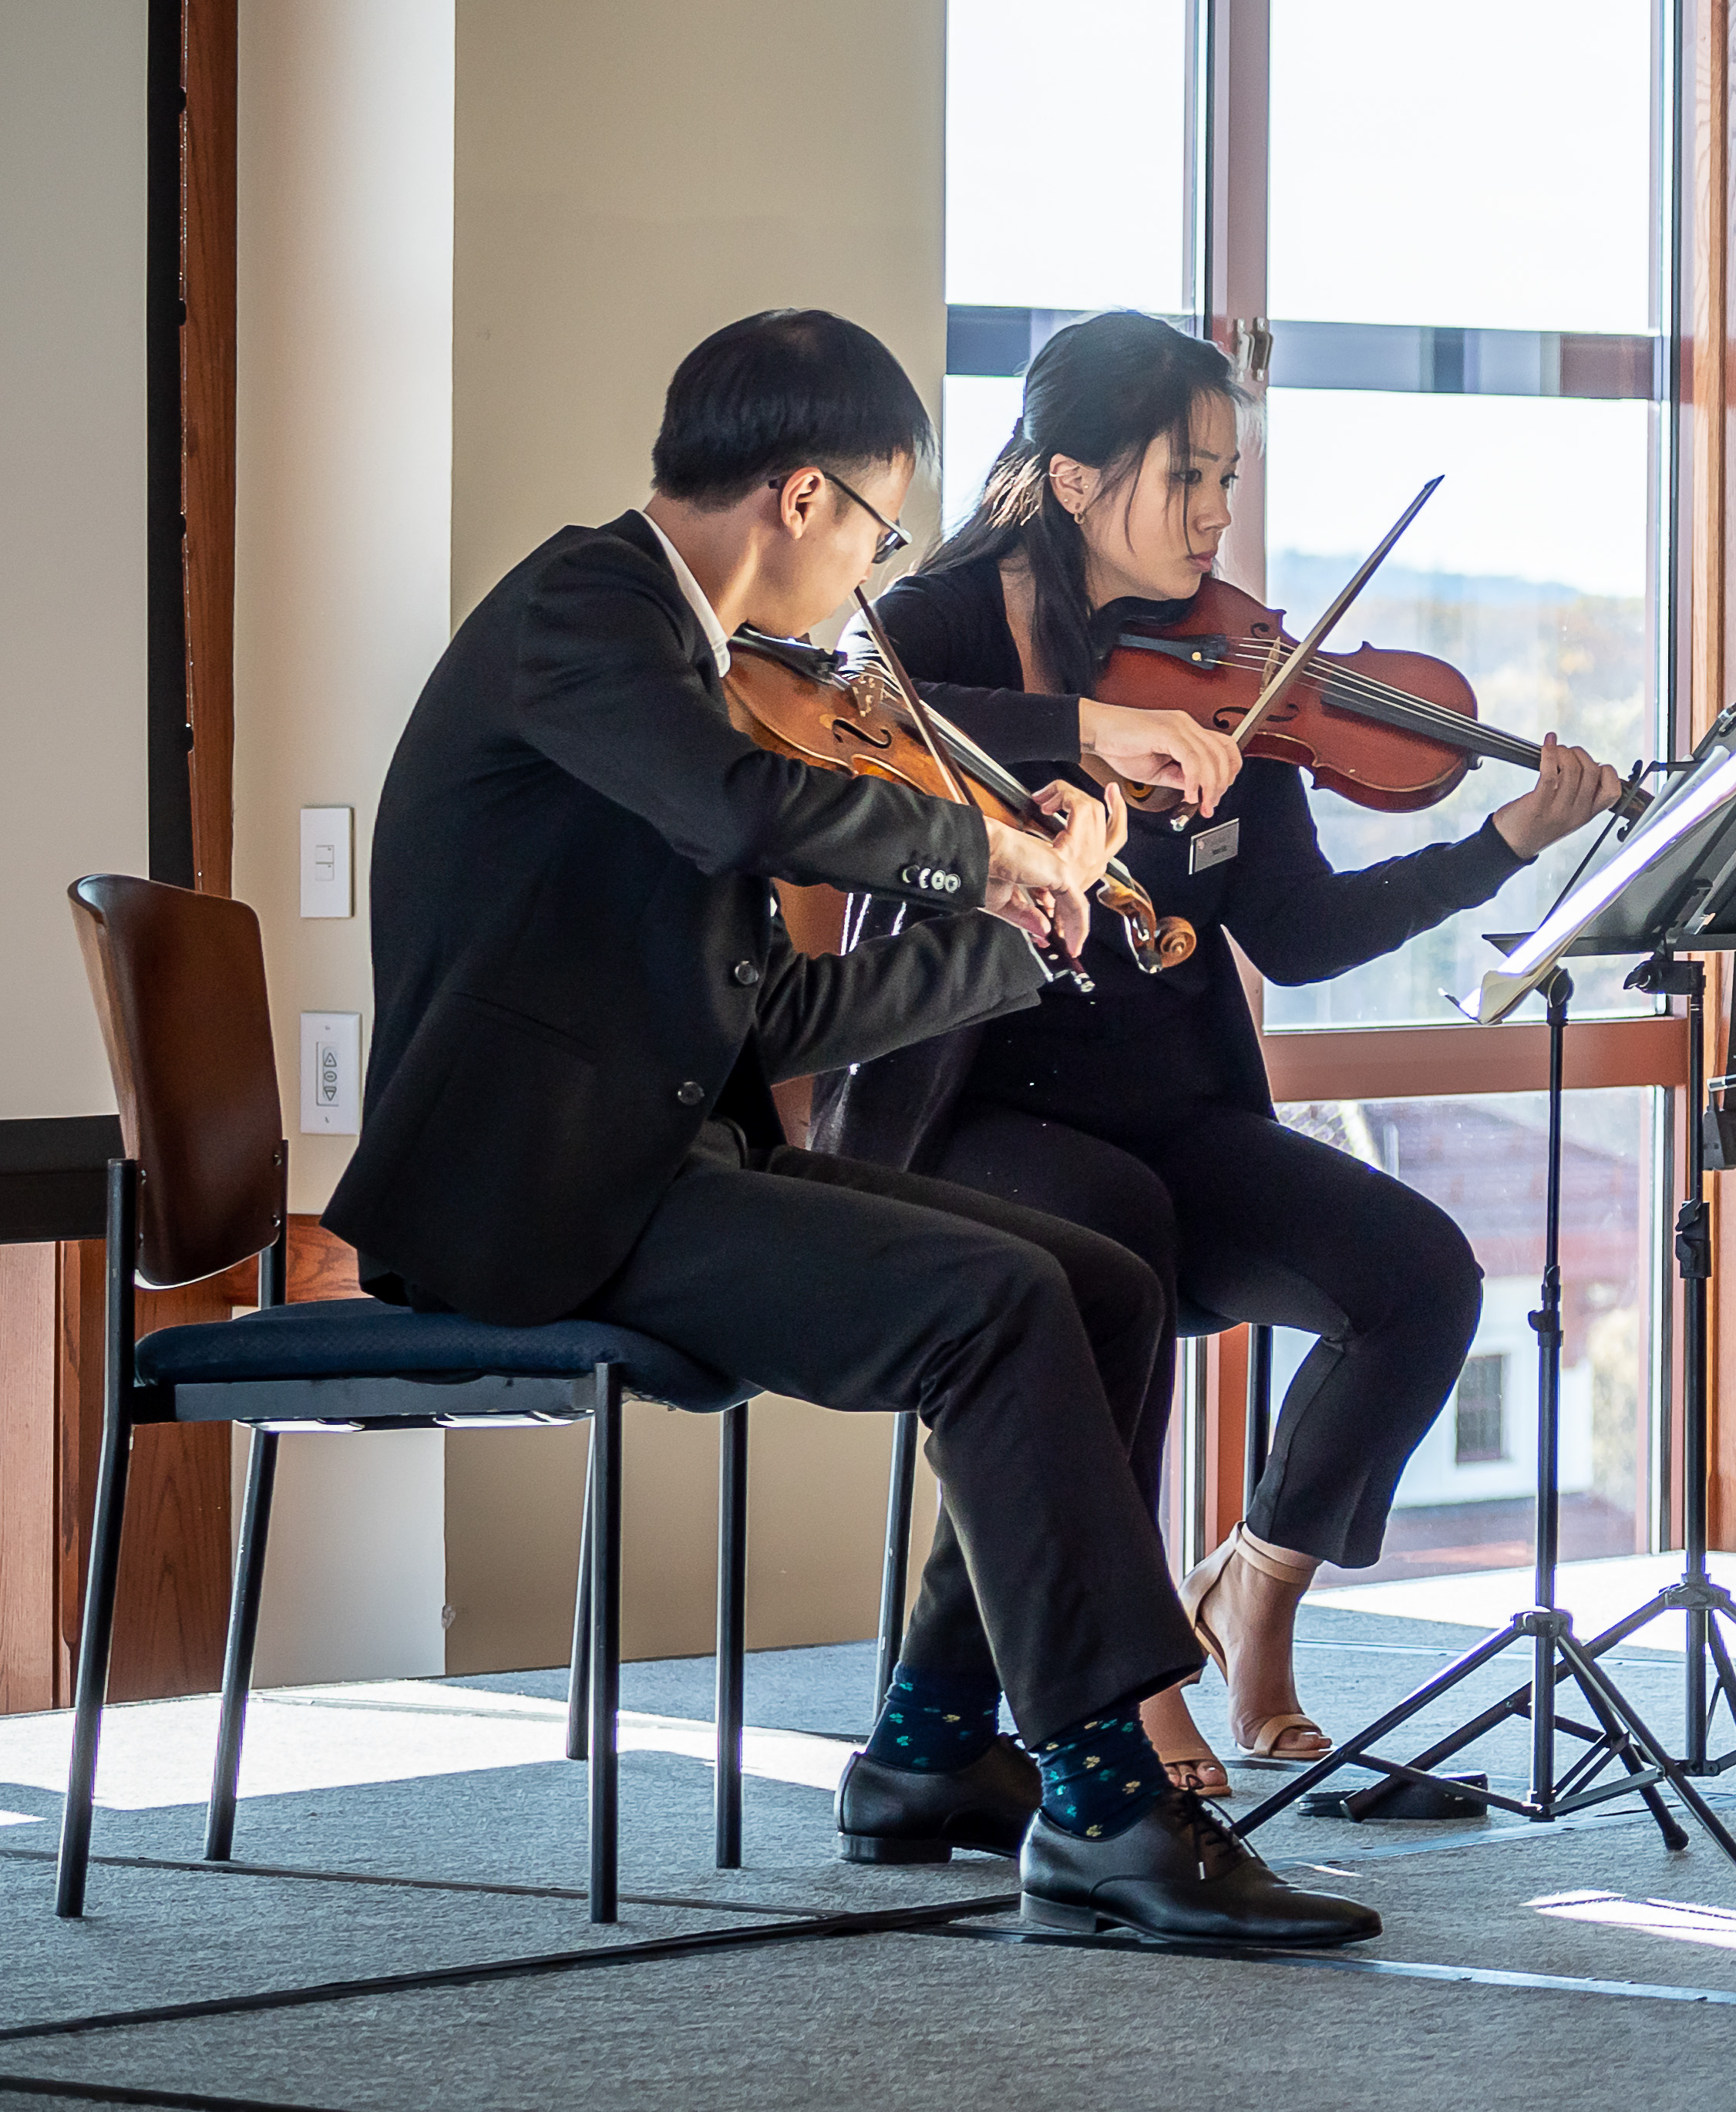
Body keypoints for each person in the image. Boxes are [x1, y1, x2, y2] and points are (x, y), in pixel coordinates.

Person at [328, 308, 1378, 1944]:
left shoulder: (697, 682)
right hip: (540, 1196)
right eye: (881, 532)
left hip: (657, 1164)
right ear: (804, 497)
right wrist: (992, 851)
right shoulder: (585, 611)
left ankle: (929, 1750)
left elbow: (769, 1021)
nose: (873, 577)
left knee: (1099, 1282)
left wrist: (1009, 940)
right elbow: (744, 806)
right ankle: (1107, 1801)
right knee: (998, 1302)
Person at [813, 311, 1623, 1791]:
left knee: (1417, 1275)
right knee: (1107, 1243)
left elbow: (1301, 935)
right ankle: (1127, 1692)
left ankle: (1254, 1587)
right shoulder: (935, 627)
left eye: (1228, 479)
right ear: (1072, 479)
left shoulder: (1229, 667)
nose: (1215, 514)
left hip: (1174, 1111)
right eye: (1186, 477)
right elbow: (856, 714)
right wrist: (1091, 729)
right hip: (969, 1115)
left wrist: (1500, 845)